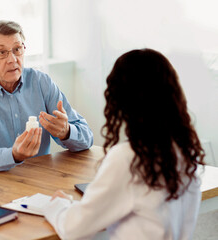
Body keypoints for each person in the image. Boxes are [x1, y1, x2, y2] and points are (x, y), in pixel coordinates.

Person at [43, 49, 205, 239]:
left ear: (122, 100)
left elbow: (73, 229)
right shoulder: (184, 151)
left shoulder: (128, 157)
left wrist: (58, 205)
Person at [0, 20, 93, 173]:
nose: (12, 59)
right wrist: (13, 155)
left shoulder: (41, 82)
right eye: (2, 52)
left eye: (17, 49)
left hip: (35, 181)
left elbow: (87, 137)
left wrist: (66, 132)